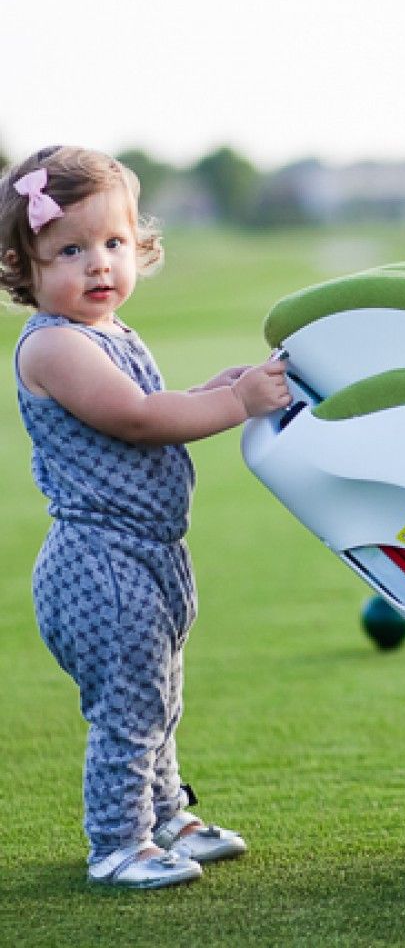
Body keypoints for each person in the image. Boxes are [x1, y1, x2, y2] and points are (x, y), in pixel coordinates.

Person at [1, 146, 292, 889]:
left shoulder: (111, 334)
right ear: (24, 268)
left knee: (160, 696)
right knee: (129, 707)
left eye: (113, 244)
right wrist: (236, 404)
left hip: (150, 552)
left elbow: (156, 403)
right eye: (69, 250)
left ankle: (166, 815)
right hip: (98, 560)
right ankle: (118, 842)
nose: (98, 264)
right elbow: (134, 418)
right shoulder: (56, 345)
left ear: (139, 247)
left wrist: (218, 385)